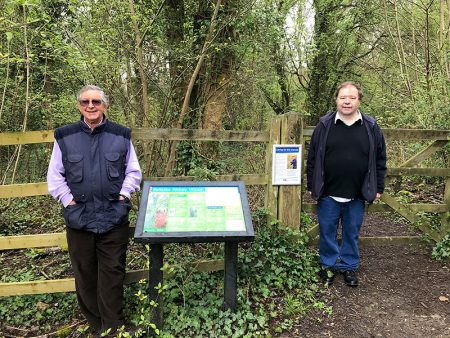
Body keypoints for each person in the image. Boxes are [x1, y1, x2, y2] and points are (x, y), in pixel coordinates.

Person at [47, 85, 142, 334]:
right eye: (85, 101)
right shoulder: (65, 137)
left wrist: (123, 196)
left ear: (105, 105)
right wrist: (68, 202)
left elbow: (133, 171)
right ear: (79, 105)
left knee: (113, 273)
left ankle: (114, 327)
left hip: (113, 217)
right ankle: (97, 325)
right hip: (79, 219)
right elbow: (55, 176)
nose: (91, 106)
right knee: (85, 274)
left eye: (96, 102)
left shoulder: (121, 135)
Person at [306, 81, 387, 287]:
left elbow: (380, 159)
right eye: (343, 98)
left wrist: (378, 187)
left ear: (359, 100)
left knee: (352, 232)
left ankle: (349, 267)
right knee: (327, 231)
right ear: (336, 100)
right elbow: (313, 158)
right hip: (328, 193)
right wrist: (311, 184)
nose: (347, 102)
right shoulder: (324, 126)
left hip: (357, 193)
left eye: (352, 98)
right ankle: (329, 265)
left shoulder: (371, 127)